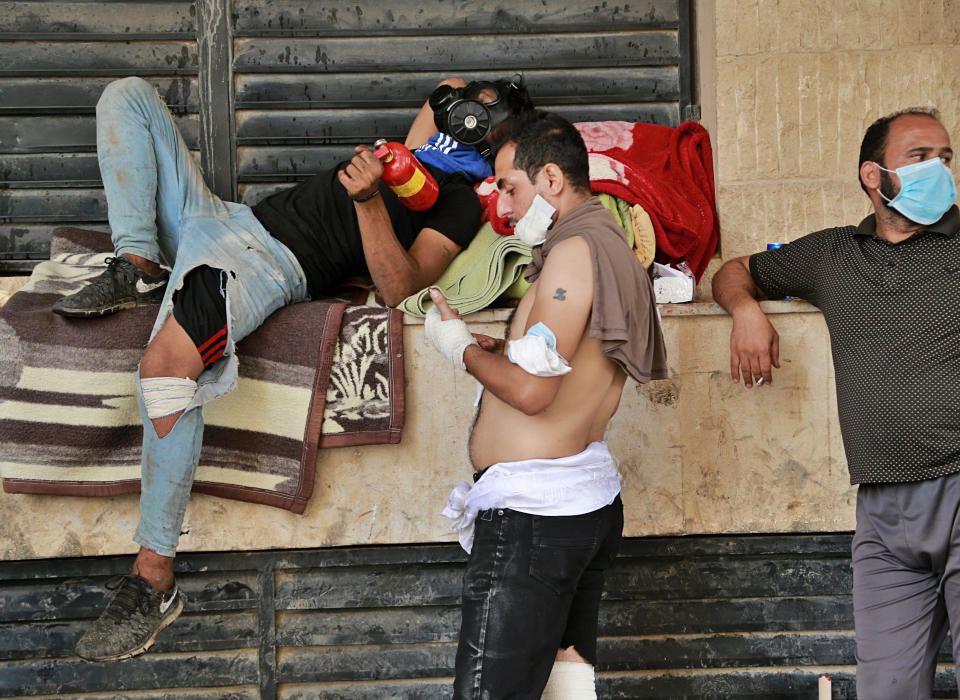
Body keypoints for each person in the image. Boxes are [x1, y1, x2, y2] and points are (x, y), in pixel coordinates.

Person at [63, 74, 534, 662]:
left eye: (487, 116)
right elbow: (446, 87)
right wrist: (467, 102)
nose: (469, 115)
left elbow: (399, 287)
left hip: (267, 261)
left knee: (164, 374)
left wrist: (367, 200)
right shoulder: (416, 152)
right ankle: (138, 260)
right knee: (125, 95)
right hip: (221, 218)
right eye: (469, 110)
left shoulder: (460, 200)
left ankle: (153, 577)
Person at [712, 108, 958, 699]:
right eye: (921, 157)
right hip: (881, 511)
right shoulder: (833, 255)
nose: (941, 171)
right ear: (874, 176)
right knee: (885, 689)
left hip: (957, 484)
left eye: (946, 158)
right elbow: (735, 272)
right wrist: (745, 311)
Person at [426, 112, 667, 699]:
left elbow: (536, 393)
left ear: (552, 179)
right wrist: (497, 350)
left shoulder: (574, 254)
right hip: (574, 508)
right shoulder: (605, 245)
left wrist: (456, 348)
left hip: (535, 520)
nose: (503, 208)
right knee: (565, 688)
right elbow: (562, 358)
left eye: (510, 187)